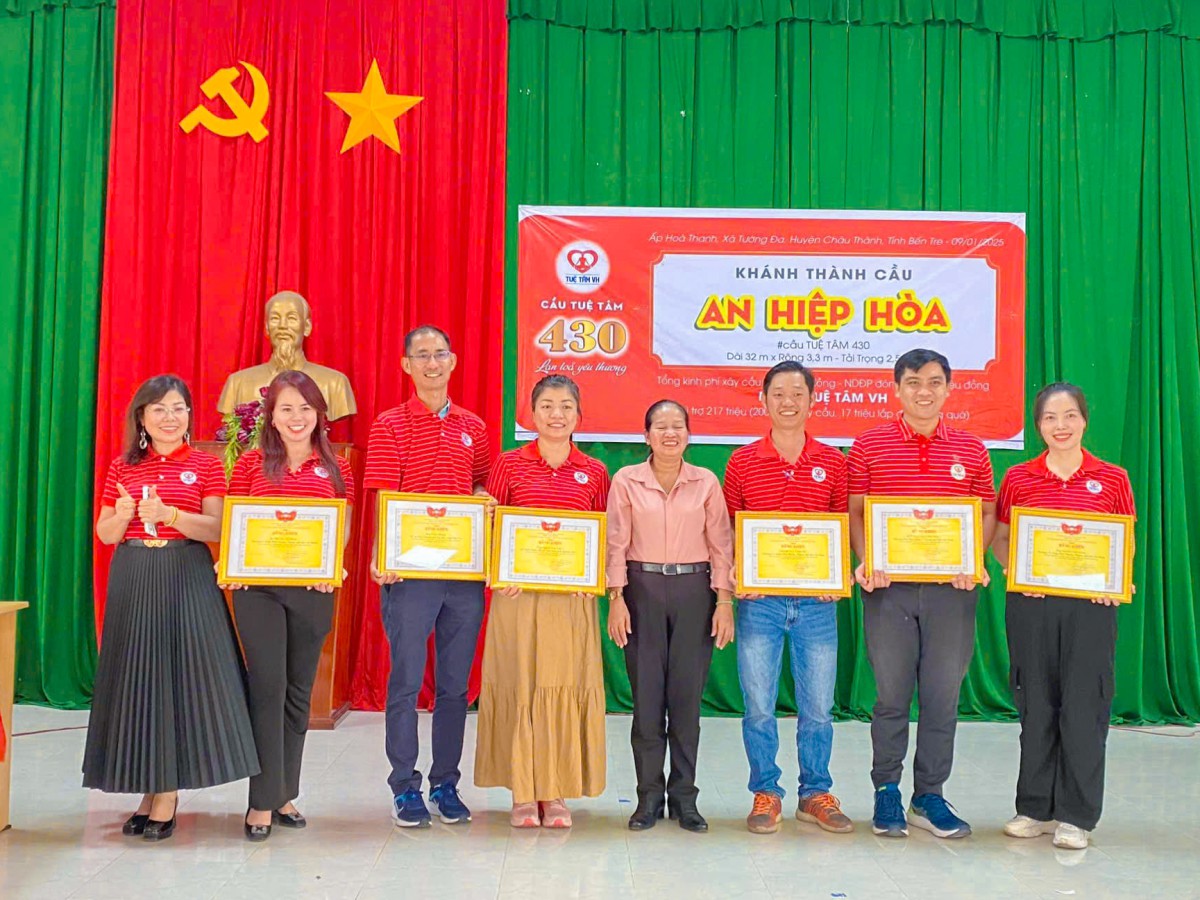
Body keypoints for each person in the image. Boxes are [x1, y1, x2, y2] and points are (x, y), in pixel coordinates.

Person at [85, 374, 258, 842]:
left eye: (179, 408)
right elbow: (105, 533)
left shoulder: (205, 465)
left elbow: (218, 528)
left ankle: (167, 793)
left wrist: (171, 516)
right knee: (138, 679)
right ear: (141, 418)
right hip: (135, 574)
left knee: (179, 681)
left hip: (187, 575)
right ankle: (150, 788)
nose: (169, 417)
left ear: (189, 416)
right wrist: (123, 516)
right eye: (159, 409)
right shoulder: (122, 467)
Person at [848, 348, 996, 840]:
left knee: (941, 697)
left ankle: (928, 795)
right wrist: (867, 559)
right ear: (897, 389)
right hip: (888, 592)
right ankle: (886, 790)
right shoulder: (868, 445)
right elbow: (856, 512)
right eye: (913, 382)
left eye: (934, 381)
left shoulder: (972, 450)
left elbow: (986, 513)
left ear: (949, 388)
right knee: (891, 696)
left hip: (951, 594)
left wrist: (973, 561)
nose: (924, 391)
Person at [991, 383, 1135, 851]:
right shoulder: (1019, 477)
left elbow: (1124, 541)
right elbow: (1001, 539)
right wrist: (1017, 570)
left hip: (1091, 610)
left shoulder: (1113, 479)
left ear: (1084, 420)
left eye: (1070, 415)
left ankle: (1077, 815)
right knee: (1036, 703)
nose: (1061, 426)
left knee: (1083, 705)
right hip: (1031, 606)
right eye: (1050, 418)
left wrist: (1117, 580)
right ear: (1038, 426)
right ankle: (1034, 807)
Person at [363, 325, 492, 828]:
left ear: (453, 361)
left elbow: (479, 483)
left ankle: (445, 783)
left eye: (440, 354)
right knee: (406, 681)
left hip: (462, 574)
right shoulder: (389, 425)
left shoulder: (474, 426)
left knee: (455, 686)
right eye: (422, 355)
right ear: (406, 365)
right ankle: (404, 786)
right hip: (410, 574)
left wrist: (482, 498)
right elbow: (382, 496)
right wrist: (381, 554)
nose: (432, 363)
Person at [222, 371, 355, 841]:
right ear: (271, 417)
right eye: (286, 409)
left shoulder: (336, 467)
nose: (297, 418)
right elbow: (235, 523)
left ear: (319, 414)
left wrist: (329, 565)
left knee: (299, 693)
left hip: (312, 592)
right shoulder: (251, 464)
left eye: (305, 408)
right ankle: (261, 800)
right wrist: (233, 563)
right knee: (268, 687)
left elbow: (342, 527)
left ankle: (284, 794)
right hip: (257, 591)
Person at [723, 361, 854, 836]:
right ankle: (766, 791)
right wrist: (738, 572)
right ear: (763, 400)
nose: (788, 402)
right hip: (759, 601)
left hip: (817, 604)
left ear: (812, 401)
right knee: (759, 705)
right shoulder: (741, 462)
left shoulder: (834, 462)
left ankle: (815, 792)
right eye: (778, 393)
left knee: (818, 708)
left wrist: (835, 574)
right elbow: (730, 531)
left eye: (798, 393)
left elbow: (841, 528)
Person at [475, 375, 610, 829]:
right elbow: (491, 525)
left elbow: (601, 533)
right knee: (520, 683)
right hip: (516, 597)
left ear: (578, 415)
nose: (557, 414)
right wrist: (499, 570)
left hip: (569, 602)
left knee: (560, 686)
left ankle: (554, 790)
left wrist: (591, 574)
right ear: (531, 414)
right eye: (548, 405)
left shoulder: (594, 471)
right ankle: (521, 790)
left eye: (566, 406)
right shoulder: (508, 464)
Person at [606, 400, 735, 833]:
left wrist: (724, 602)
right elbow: (615, 542)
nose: (669, 433)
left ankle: (684, 799)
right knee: (646, 702)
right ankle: (647, 799)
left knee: (685, 702)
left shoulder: (706, 482)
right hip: (640, 590)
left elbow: (721, 545)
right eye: (660, 426)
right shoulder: (626, 480)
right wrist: (616, 597)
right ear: (646, 436)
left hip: (694, 591)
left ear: (688, 434)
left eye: (677, 426)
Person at [217, 290, 357, 421]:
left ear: (307, 327)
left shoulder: (335, 383)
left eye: (291, 318)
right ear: (267, 327)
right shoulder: (237, 383)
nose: (282, 326)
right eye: (275, 318)